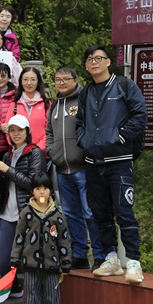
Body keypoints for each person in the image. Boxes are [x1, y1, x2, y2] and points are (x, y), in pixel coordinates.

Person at [76, 45, 147, 283]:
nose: (94, 62)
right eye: (89, 59)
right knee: (100, 214)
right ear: (86, 66)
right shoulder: (86, 92)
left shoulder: (124, 86)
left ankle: (134, 262)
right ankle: (111, 258)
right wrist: (84, 141)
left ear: (108, 61)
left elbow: (140, 115)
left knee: (124, 212)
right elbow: (79, 123)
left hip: (119, 161)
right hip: (93, 162)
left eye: (98, 58)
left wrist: (121, 137)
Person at [46, 66, 105, 272]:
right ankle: (79, 254)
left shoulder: (84, 99)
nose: (61, 83)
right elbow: (49, 132)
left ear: (75, 80)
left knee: (90, 212)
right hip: (62, 169)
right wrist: (52, 151)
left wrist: (86, 151)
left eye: (65, 79)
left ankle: (100, 255)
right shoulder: (54, 105)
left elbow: (95, 127)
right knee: (71, 214)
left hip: (83, 168)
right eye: (57, 79)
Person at [10, 172, 71, 304]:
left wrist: (66, 262)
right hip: (30, 264)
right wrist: (15, 258)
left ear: (50, 191)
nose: (41, 192)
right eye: (38, 188)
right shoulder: (26, 213)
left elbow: (64, 239)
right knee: (31, 298)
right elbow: (19, 237)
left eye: (45, 188)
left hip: (52, 265)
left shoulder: (57, 215)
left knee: (51, 298)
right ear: (32, 191)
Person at [0, 114, 47, 297]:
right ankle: (15, 288)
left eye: (20, 130)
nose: (16, 134)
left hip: (28, 213)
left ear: (28, 131)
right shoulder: (7, 155)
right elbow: (3, 185)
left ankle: (35, 297)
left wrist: (8, 170)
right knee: (2, 261)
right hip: (8, 213)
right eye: (12, 130)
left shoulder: (35, 153)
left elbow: (35, 184)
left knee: (31, 258)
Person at [5, 67, 50, 153]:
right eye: (25, 79)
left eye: (33, 79)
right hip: (19, 153)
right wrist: (18, 149)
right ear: (21, 81)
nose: (29, 83)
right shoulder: (14, 104)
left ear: (38, 82)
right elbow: (7, 129)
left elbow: (50, 131)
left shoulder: (46, 104)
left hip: (41, 153)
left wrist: (38, 150)